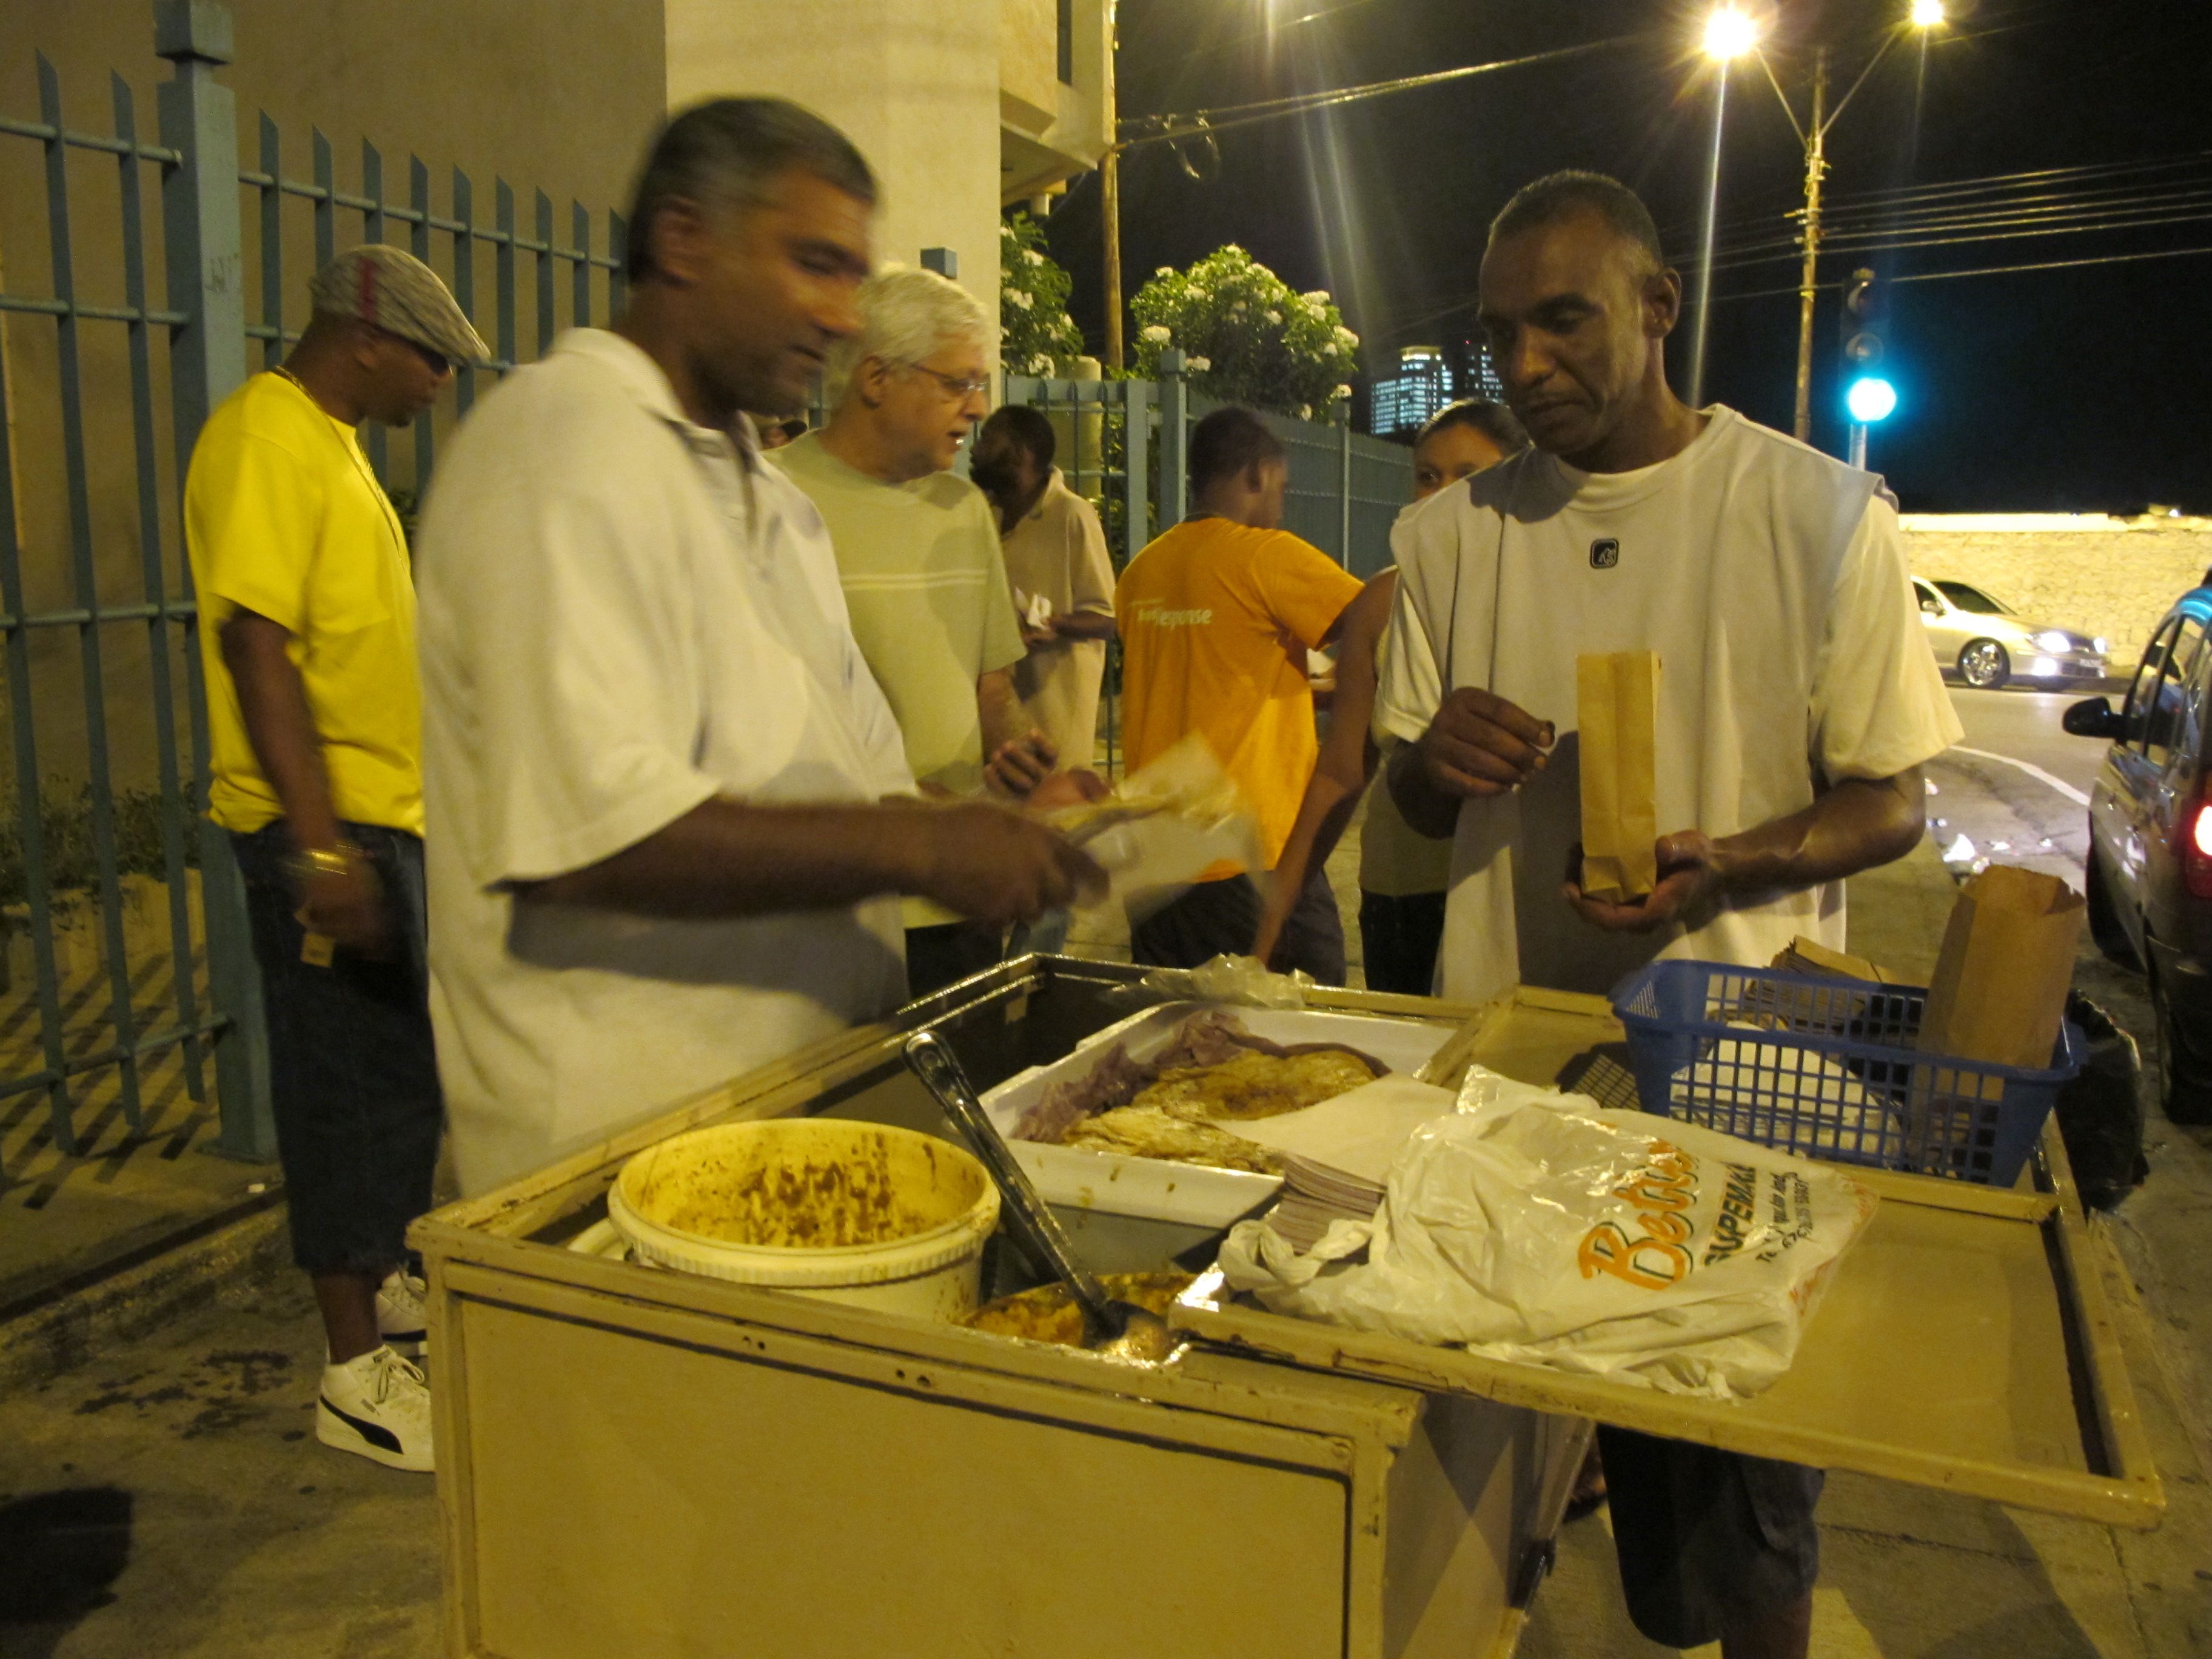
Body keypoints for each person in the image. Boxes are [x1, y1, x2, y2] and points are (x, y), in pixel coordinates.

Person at [1376, 171, 1961, 1659]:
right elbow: (1415, 809)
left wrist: (1731, 862)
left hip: (1743, 1082)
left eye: (1563, 321)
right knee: (1482, 1486)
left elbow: (1893, 795)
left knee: (1744, 1506)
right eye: (1500, 333)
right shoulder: (1448, 537)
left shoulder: (1817, 511)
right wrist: (1435, 762)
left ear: (1657, 303)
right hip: (1511, 1093)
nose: (1525, 365)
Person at [415, 99, 1100, 1199]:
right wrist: (919, 850)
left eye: (853, 276)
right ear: (685, 240)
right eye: (814, 264)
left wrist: (1001, 825)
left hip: (788, 1124)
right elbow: (589, 834)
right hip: (615, 1168)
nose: (843, 315)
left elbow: (856, 791)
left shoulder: (772, 505)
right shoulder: (562, 447)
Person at [184, 243, 486, 1472]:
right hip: (323, 830)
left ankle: (388, 1288)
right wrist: (316, 845)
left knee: (397, 1080)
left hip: (377, 822)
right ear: (365, 333)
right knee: (340, 1091)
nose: (441, 382)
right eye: (431, 357)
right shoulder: (265, 437)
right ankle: (354, 1376)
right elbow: (255, 644)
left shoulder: (334, 444)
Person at [777, 267, 1062, 996]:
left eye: (981, 385)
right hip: (835, 900)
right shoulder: (774, 500)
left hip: (957, 895)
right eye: (958, 383)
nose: (979, 409)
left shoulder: (964, 512)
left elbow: (991, 688)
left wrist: (1015, 750)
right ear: (877, 378)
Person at [1251, 398, 1527, 990]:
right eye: (1428, 476)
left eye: (1468, 476)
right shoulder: (1383, 602)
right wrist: (1274, 914)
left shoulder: (1544, 597)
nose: (1441, 495)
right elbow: (1341, 770)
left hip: (1511, 897)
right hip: (1403, 895)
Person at [1116, 407, 1365, 981]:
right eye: (1283, 487)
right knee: (1311, 1011)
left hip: (1154, 856)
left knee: (1178, 1020)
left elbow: (1203, 671)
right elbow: (1376, 619)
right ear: (1258, 475)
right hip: (1251, 853)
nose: (1281, 504)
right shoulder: (1264, 554)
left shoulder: (1140, 573)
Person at [970, 403, 1118, 773]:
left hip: (1055, 728)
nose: (975, 449)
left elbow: (1107, 619)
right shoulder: (984, 516)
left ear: (1020, 454)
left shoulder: (1071, 515)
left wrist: (1055, 625)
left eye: (988, 439)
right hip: (994, 723)